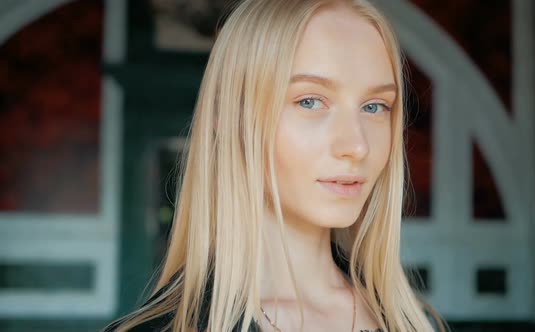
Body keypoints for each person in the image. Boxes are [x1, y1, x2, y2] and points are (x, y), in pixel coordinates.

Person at [104, 0, 446, 331]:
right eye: (310, 101)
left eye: (374, 106)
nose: (356, 146)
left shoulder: (419, 324)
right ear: (229, 116)